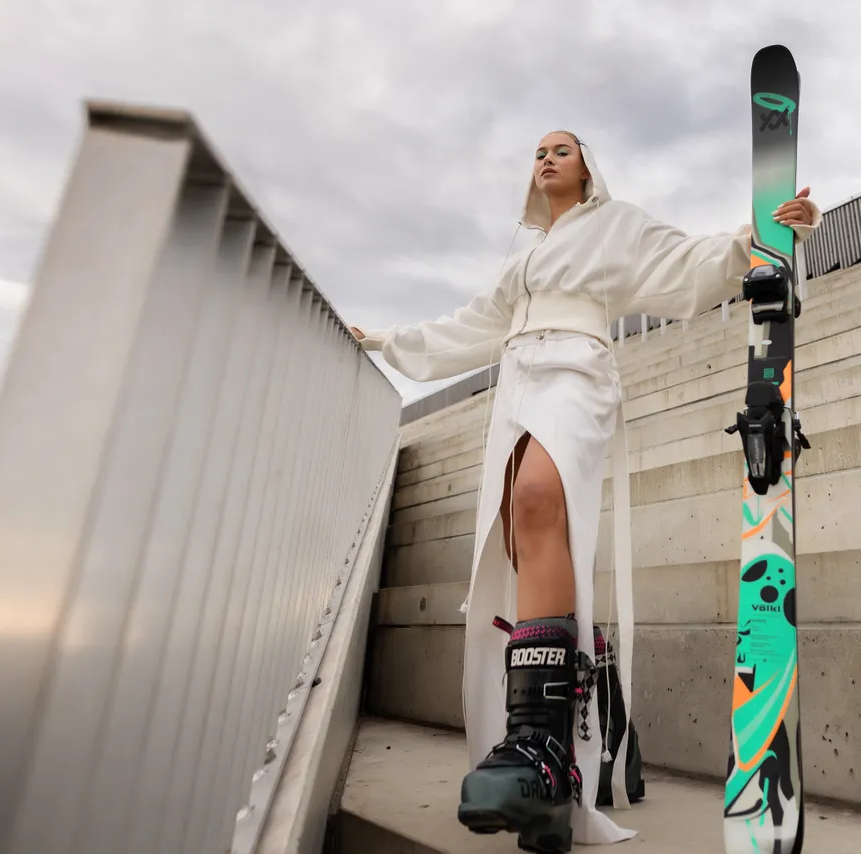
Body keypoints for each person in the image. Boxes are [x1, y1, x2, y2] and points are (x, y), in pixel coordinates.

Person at [352, 130, 820, 852]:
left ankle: (538, 751)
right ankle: (548, 754)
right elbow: (470, 325)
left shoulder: (615, 223)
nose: (546, 159)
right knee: (519, 543)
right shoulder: (526, 261)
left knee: (541, 501)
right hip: (515, 381)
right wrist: (383, 340)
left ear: (587, 166)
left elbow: (683, 261)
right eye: (538, 152)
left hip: (577, 372)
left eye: (561, 149)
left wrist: (760, 233)